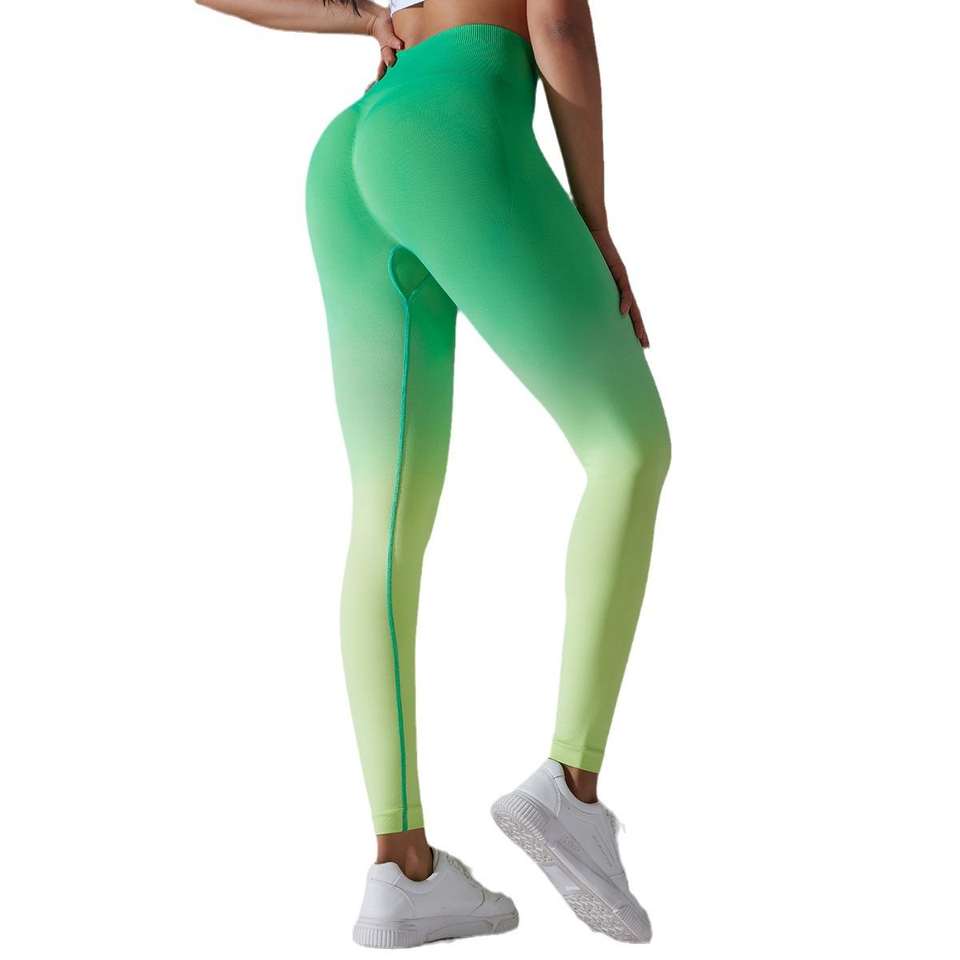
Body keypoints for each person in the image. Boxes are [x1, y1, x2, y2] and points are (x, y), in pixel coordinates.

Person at [195, 0, 670, 947]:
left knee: (384, 512)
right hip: (455, 123)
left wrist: (361, 19)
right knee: (628, 448)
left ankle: (401, 869)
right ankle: (571, 788)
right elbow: (559, 24)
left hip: (354, 146)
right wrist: (594, 222)